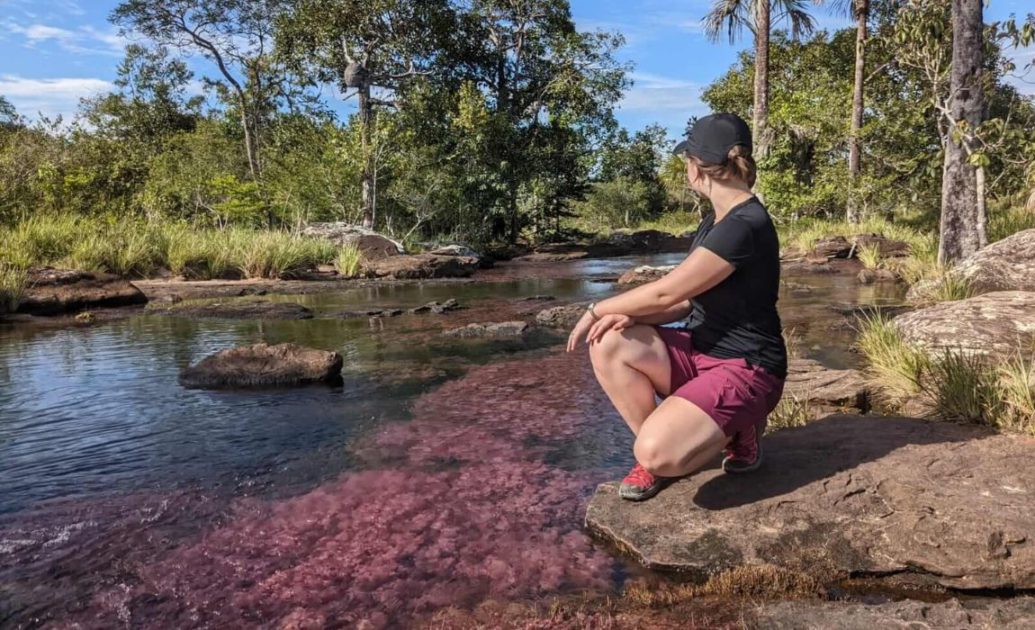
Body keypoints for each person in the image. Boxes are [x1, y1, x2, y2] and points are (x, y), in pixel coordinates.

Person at [567, 113, 786, 501]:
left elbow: (666, 293)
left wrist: (595, 309)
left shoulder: (745, 224)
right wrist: (630, 316)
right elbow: (685, 301)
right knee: (609, 342)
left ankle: (736, 428)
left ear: (696, 168)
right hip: (699, 350)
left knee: (656, 451)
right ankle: (659, 452)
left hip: (747, 367)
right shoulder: (715, 220)